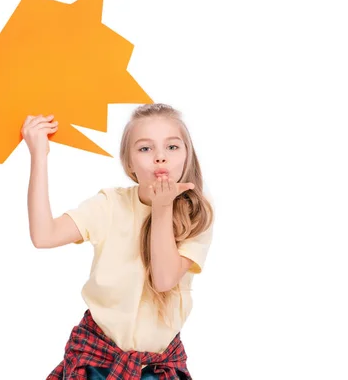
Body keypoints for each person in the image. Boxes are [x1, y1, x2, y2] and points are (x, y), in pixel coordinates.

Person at [22, 103, 215, 379]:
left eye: (172, 147)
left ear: (187, 155)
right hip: (97, 358)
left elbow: (163, 279)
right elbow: (44, 235)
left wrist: (162, 209)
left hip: (157, 365)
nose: (160, 157)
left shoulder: (197, 213)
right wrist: (38, 155)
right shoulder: (109, 205)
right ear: (129, 163)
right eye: (145, 148)